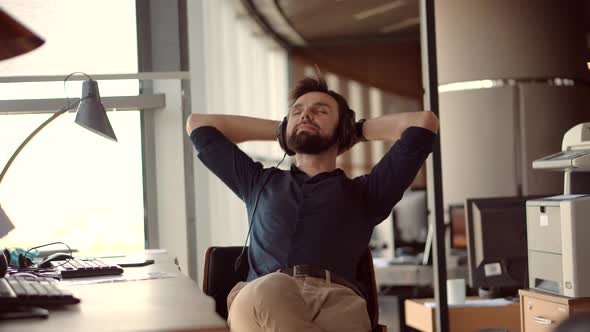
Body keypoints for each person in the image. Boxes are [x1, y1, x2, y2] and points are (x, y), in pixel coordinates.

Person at [186, 76, 439, 332]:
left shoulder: (367, 193)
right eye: (296, 112)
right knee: (271, 287)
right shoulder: (257, 181)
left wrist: (356, 130)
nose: (305, 115)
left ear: (342, 128)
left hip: (337, 304)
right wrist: (282, 130)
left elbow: (423, 123)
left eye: (320, 111)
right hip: (262, 299)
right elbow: (199, 125)